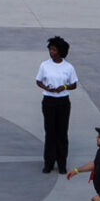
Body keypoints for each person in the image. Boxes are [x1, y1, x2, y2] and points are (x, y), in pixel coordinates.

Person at [36, 36, 78, 174]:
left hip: (63, 102)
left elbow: (74, 84)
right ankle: (48, 162)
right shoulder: (44, 65)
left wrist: (64, 87)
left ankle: (61, 163)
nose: (51, 52)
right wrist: (46, 88)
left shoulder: (68, 67)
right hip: (49, 101)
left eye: (54, 49)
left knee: (62, 133)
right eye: (50, 49)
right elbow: (39, 81)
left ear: (61, 51)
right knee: (50, 132)